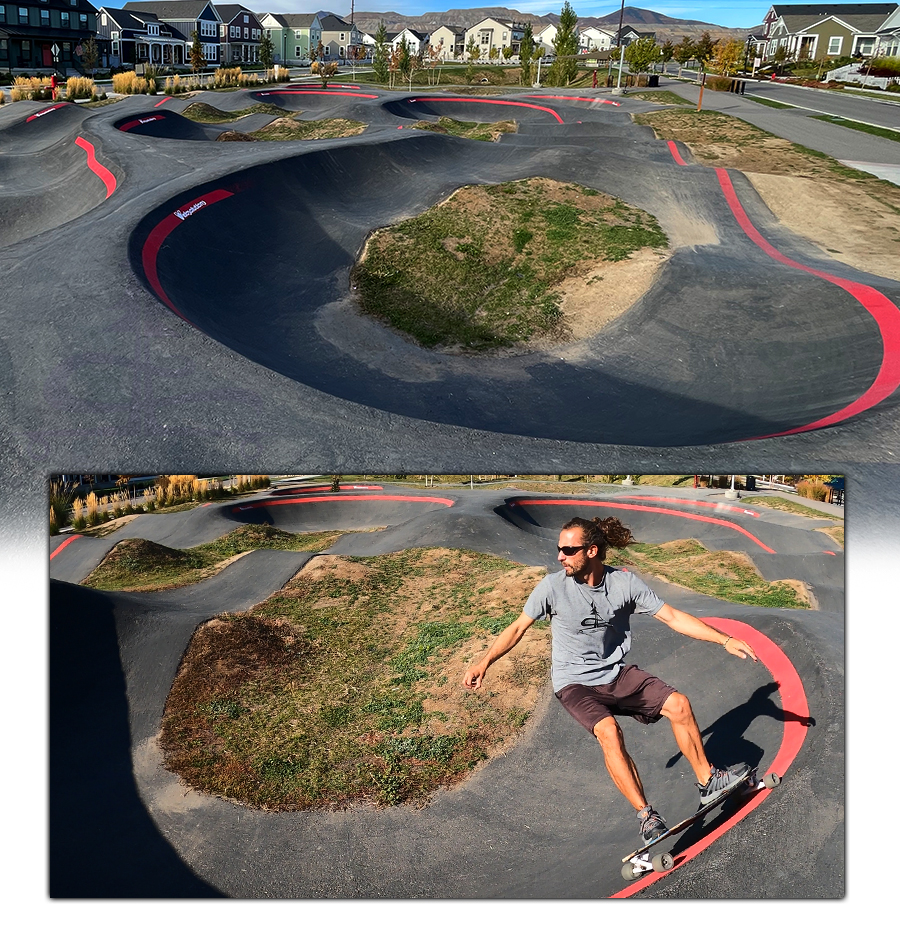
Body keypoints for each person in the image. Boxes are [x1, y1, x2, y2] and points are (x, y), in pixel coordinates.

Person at [463, 515, 758, 845]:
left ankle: (708, 782)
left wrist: (725, 640)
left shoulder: (625, 585)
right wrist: (484, 661)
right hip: (573, 683)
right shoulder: (551, 587)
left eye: (568, 550)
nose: (559, 557)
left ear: (591, 551)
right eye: (558, 549)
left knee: (679, 705)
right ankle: (646, 816)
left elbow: (672, 616)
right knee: (609, 732)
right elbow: (518, 627)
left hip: (615, 674)